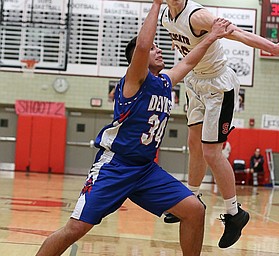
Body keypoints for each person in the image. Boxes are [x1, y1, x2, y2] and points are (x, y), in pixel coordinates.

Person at [35, 1, 234, 255]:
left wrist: (212, 36)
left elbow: (189, 62)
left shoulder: (164, 82)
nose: (158, 50)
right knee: (75, 228)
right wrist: (158, 3)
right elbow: (141, 45)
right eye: (153, 49)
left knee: (195, 210)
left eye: (157, 47)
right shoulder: (134, 80)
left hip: (145, 170)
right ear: (138, 60)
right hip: (116, 166)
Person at [161, 0, 279, 249]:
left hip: (219, 85)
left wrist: (273, 47)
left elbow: (237, 33)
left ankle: (235, 213)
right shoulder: (165, 16)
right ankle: (191, 199)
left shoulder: (198, 15)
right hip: (194, 82)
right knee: (194, 144)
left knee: (211, 153)